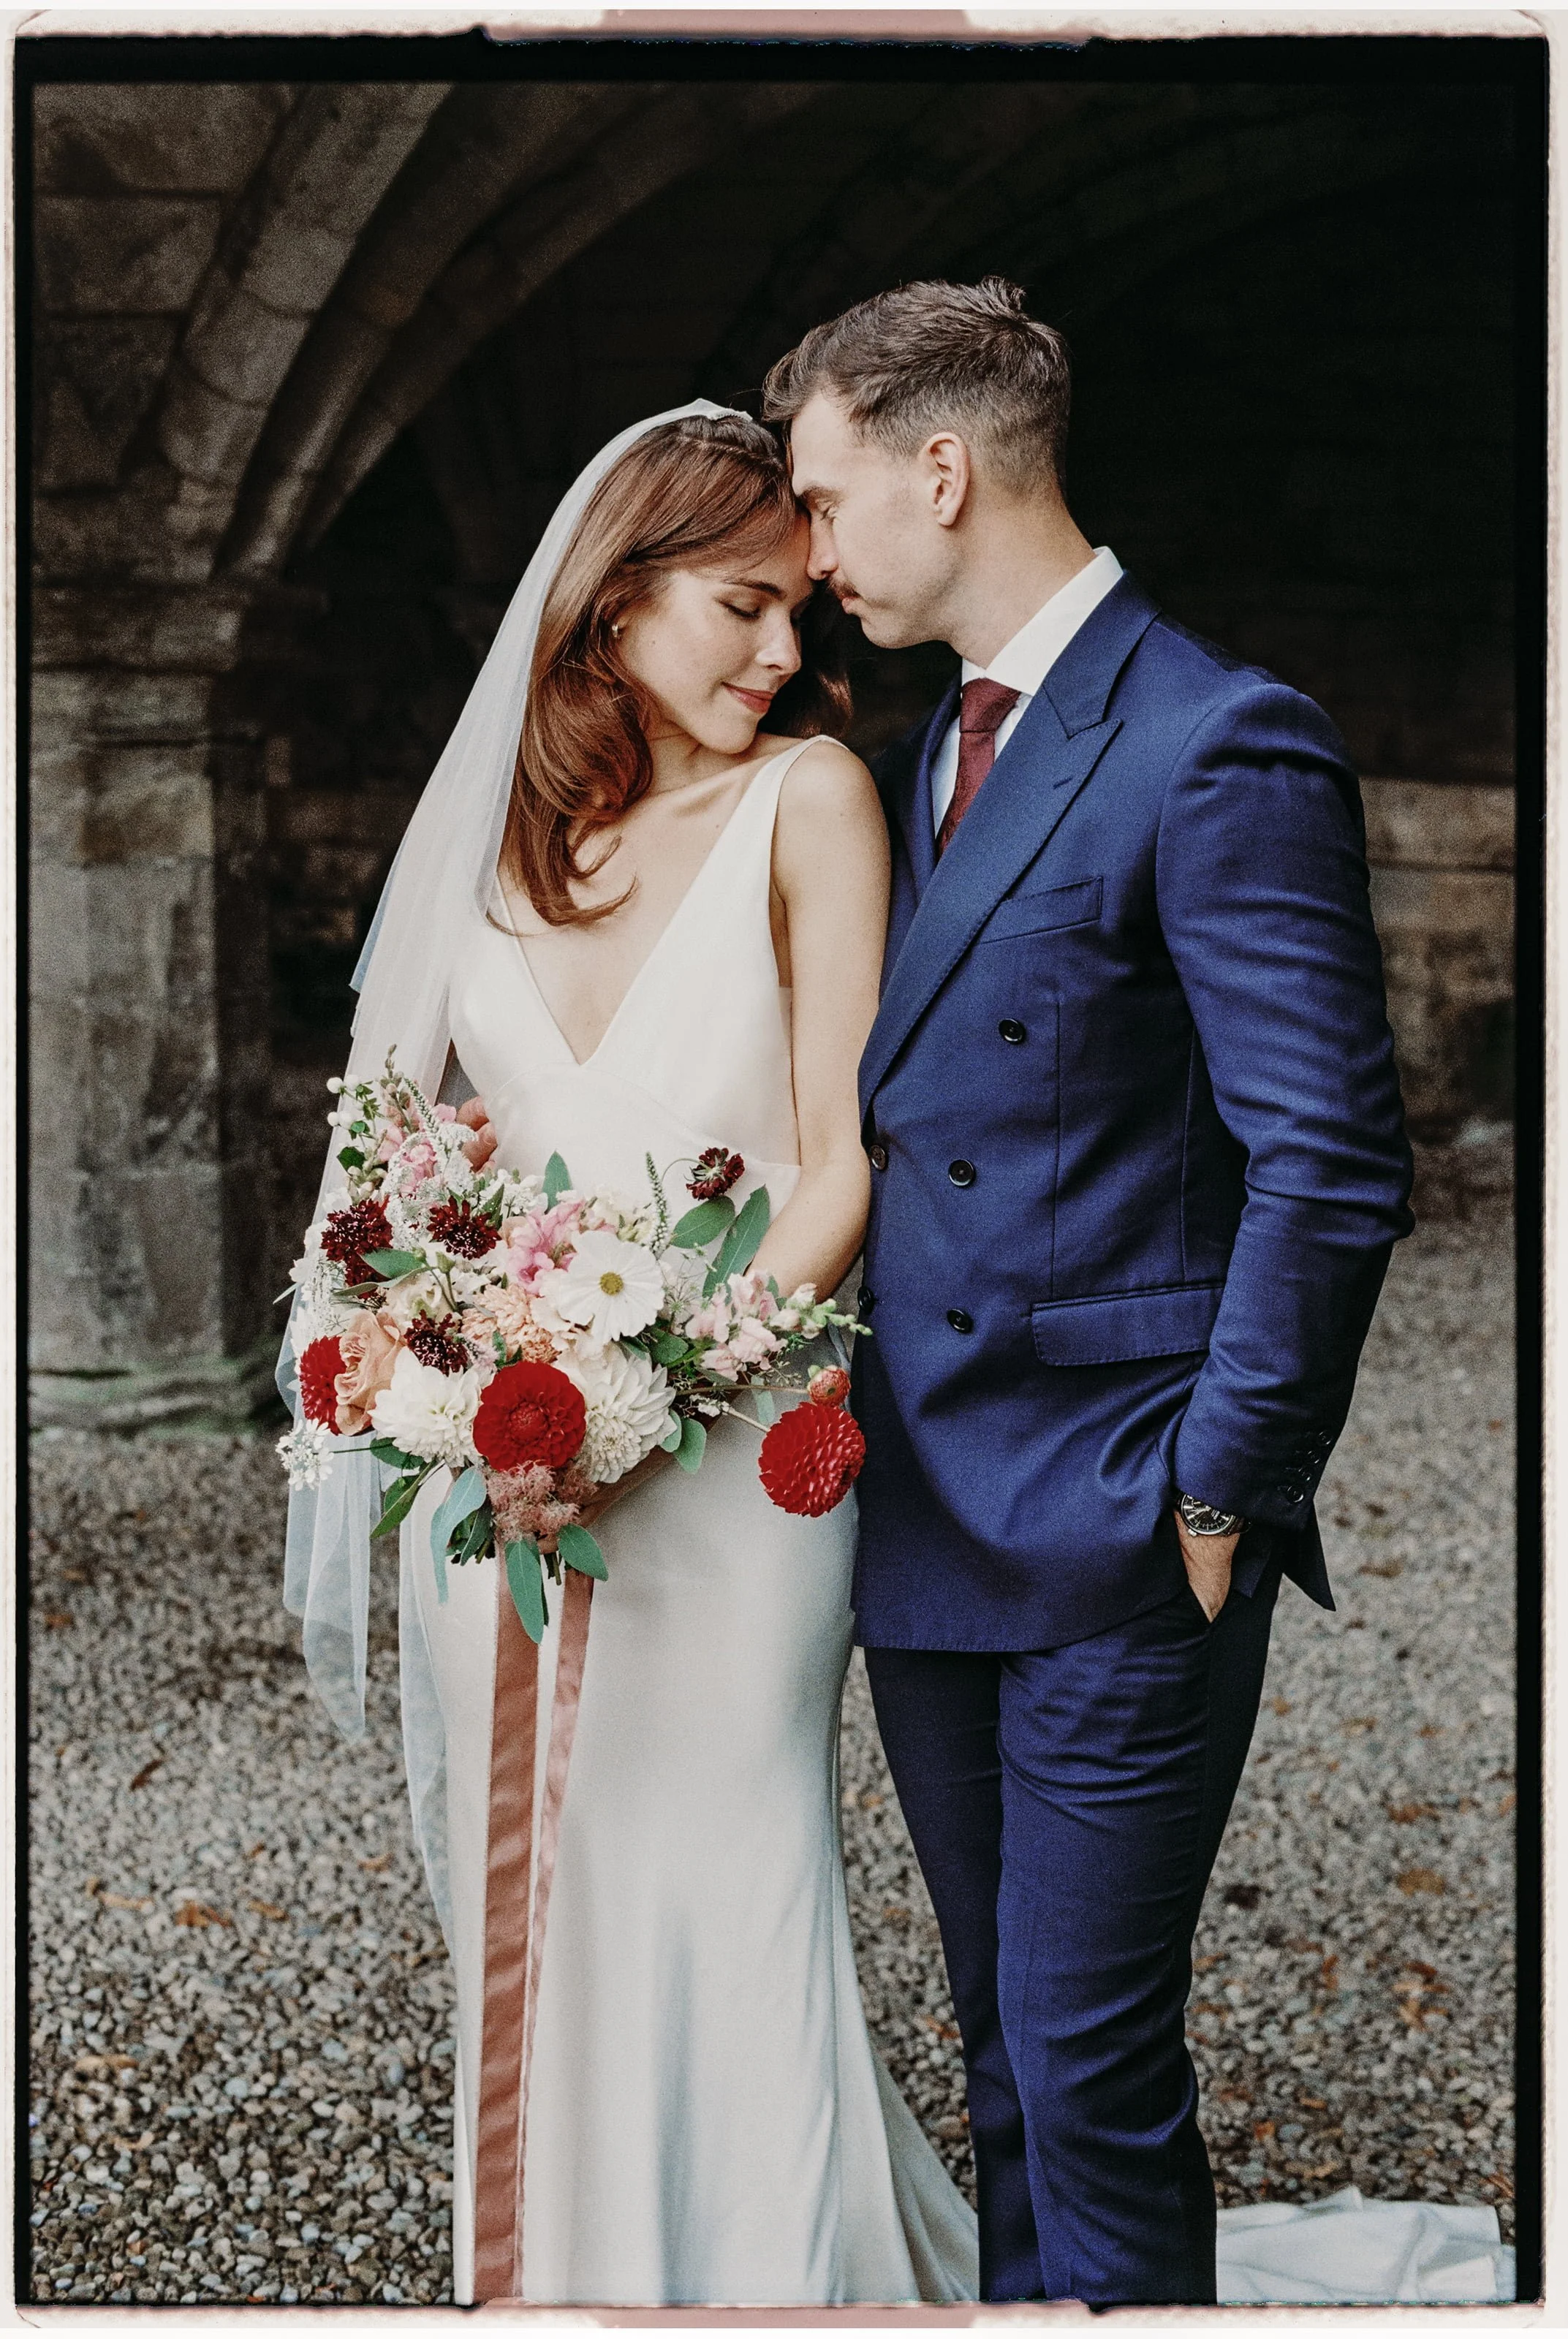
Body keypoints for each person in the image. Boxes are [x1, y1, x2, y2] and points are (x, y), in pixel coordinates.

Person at [762, 279, 1418, 2307]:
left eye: (826, 496)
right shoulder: (922, 752)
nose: (814, 551)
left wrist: (1222, 1490)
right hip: (934, 1517)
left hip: (1126, 1530)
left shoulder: (1218, 742)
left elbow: (1331, 1164)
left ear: (940, 471)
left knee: (1092, 2065)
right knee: (1002, 2067)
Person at [281, 406, 979, 2308]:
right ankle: (575, 2278)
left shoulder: (810, 802)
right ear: (613, 601)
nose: (783, 655)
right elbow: (400, 1177)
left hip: (732, 1466)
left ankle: (772, 2285)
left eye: (797, 616)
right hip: (506, 1468)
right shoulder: (495, 847)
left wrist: (654, 1391)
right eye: (743, 607)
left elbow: (848, 1165)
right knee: (546, 1888)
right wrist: (427, 1366)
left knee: (727, 1859)